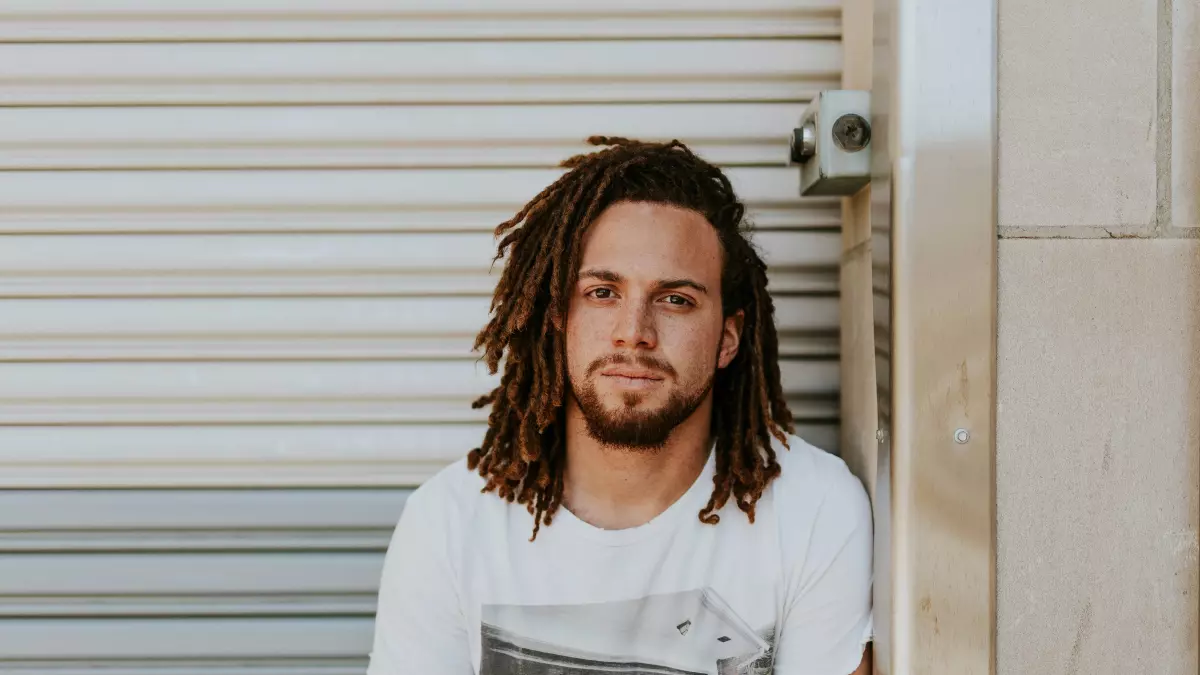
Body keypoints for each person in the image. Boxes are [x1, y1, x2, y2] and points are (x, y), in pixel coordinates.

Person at [367, 137, 874, 675]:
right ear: (559, 318)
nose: (633, 333)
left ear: (728, 336)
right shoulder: (449, 524)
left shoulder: (813, 511)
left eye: (675, 300)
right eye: (602, 293)